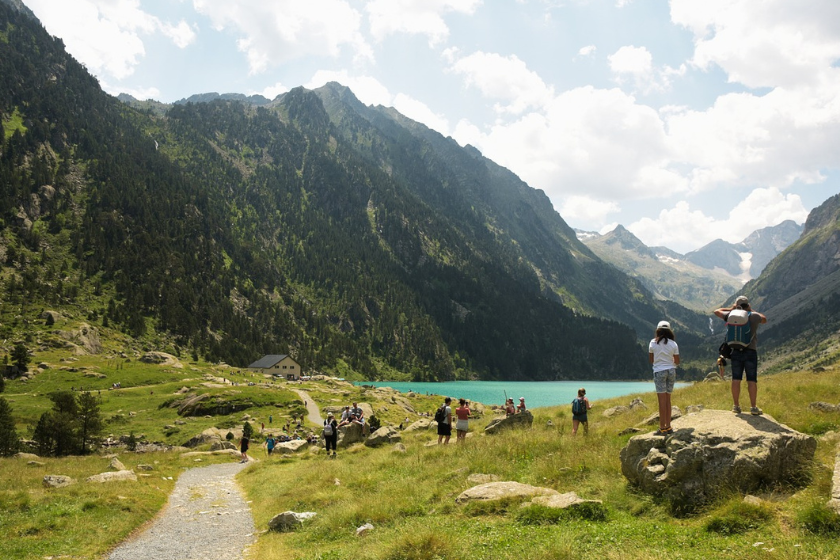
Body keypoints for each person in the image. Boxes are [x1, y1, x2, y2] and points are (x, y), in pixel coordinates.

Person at [715, 295, 767, 415]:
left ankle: (736, 406)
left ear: (736, 304)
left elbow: (717, 311)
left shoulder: (731, 315)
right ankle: (753, 407)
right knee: (751, 380)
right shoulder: (753, 316)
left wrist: (732, 308)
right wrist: (750, 310)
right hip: (750, 351)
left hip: (736, 351)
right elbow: (764, 319)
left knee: (736, 379)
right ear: (748, 305)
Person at [649, 320, 679, 435]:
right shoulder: (673, 344)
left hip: (659, 371)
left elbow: (652, 360)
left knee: (661, 401)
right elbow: (677, 361)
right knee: (668, 400)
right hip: (671, 371)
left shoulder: (653, 343)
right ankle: (668, 426)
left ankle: (662, 428)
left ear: (658, 330)